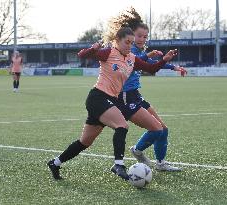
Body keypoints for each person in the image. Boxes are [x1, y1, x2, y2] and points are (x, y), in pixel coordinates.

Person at [47, 26, 177, 181]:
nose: (129, 46)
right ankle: (118, 165)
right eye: (126, 42)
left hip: (109, 100)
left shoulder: (132, 58)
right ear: (117, 41)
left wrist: (164, 60)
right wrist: (93, 48)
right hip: (98, 97)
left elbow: (151, 68)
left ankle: (55, 162)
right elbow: (82, 55)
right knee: (122, 126)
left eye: (131, 43)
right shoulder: (109, 52)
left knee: (85, 142)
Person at [111, 8, 187, 171]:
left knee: (163, 129)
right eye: (139, 36)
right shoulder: (126, 49)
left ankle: (160, 163)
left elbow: (150, 66)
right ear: (132, 35)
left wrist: (174, 67)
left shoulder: (140, 51)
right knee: (156, 129)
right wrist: (149, 55)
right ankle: (137, 150)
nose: (142, 39)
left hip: (135, 95)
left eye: (145, 36)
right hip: (124, 97)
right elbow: (133, 62)